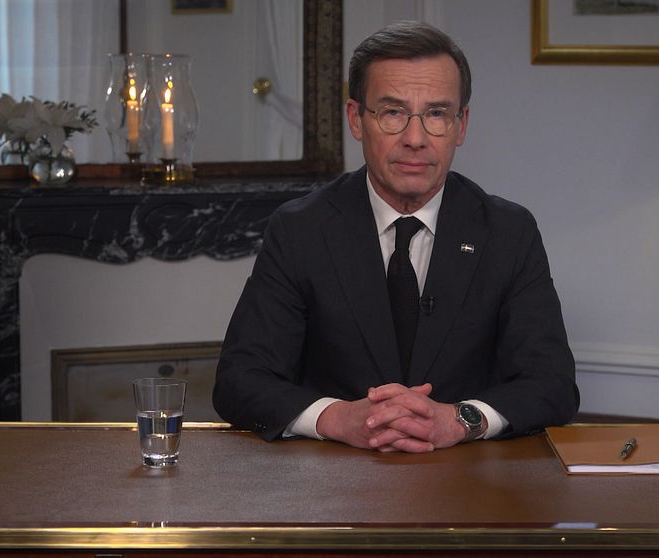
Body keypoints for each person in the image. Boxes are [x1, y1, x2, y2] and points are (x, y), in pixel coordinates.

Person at [213, 21, 578, 453]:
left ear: (461, 125)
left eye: (437, 114)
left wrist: (459, 420)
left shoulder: (508, 232)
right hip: (335, 479)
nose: (415, 139)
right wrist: (337, 418)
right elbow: (240, 380)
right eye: (393, 113)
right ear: (356, 119)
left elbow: (552, 384)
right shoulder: (300, 229)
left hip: (466, 478)